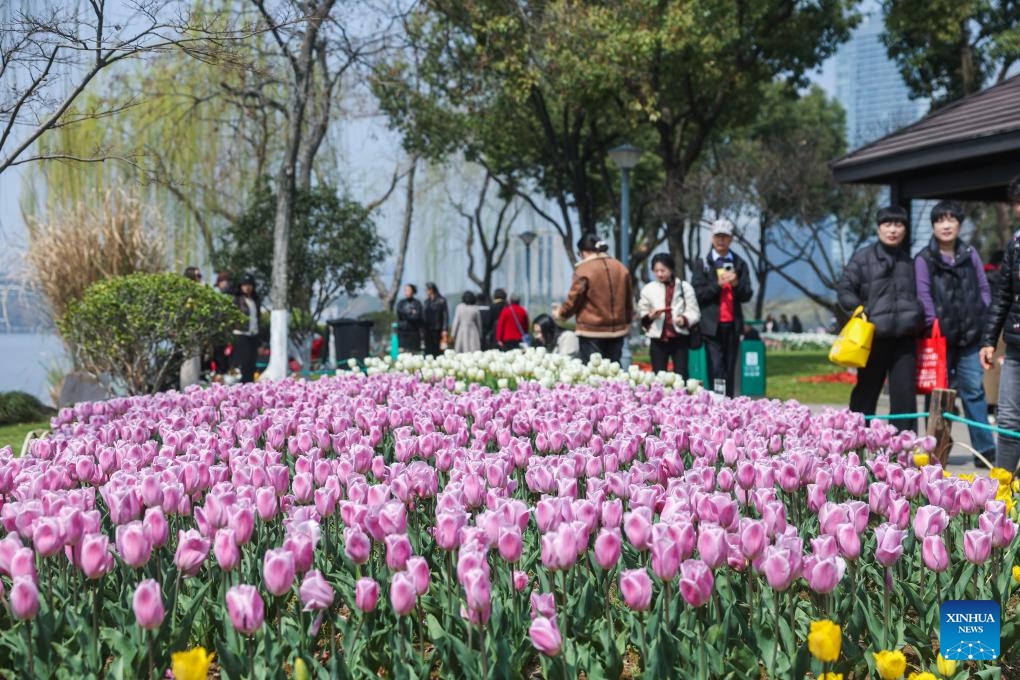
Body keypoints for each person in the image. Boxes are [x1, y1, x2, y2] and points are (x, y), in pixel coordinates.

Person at [915, 199, 996, 465]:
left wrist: (982, 313)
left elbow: (984, 288)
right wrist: (933, 322)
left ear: (959, 224)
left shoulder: (970, 253)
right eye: (940, 220)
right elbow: (923, 293)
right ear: (934, 226)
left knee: (974, 391)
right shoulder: (924, 258)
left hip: (971, 337)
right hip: (940, 340)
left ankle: (985, 451)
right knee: (938, 394)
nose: (946, 225)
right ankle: (936, 451)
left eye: (951, 219)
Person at [835, 206, 924, 432]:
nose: (893, 230)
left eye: (898, 225)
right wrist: (859, 310)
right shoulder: (863, 258)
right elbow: (845, 287)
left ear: (905, 229)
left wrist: (918, 314)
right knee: (866, 391)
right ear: (878, 228)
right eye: (887, 224)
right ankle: (854, 441)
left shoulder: (910, 262)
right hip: (872, 338)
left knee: (904, 397)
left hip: (904, 340)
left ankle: (904, 447)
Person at [980, 176, 1020, 471]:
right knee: (1007, 420)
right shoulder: (1015, 245)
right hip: (1017, 348)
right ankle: (1002, 492)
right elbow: (1002, 297)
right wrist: (989, 339)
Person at [691, 219, 753, 397]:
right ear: (712, 239)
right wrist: (717, 285)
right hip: (711, 326)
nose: (721, 241)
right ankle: (718, 402)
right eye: (718, 237)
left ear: (731, 240)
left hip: (733, 325)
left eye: (725, 237)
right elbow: (698, 294)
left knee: (730, 367)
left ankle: (729, 403)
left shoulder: (739, 263)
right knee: (716, 366)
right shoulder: (703, 263)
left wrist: (736, 284)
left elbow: (747, 294)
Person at [552, 233, 634, 364]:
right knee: (613, 372)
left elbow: (574, 299)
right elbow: (628, 300)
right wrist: (628, 321)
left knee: (593, 372)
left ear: (582, 252)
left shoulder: (584, 270)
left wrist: (561, 314)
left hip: (591, 330)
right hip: (617, 330)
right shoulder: (620, 267)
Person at [637, 253, 700, 376]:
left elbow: (694, 311)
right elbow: (642, 311)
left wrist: (684, 319)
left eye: (663, 270)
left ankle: (681, 395)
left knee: (681, 376)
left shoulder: (684, 287)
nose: (659, 274)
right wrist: (650, 316)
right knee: (658, 376)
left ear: (671, 269)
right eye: (656, 271)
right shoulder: (648, 289)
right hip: (657, 339)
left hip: (679, 338)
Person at [983, 250, 1007, 422]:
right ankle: (995, 408)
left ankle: (990, 408)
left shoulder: (985, 275)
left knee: (991, 370)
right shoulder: (998, 278)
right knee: (998, 369)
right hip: (1001, 329)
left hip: (992, 328)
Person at [232, 273, 261, 383]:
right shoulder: (237, 299)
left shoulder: (255, 300)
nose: (247, 287)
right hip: (241, 334)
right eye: (244, 285)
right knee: (243, 362)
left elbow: (257, 318)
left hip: (253, 334)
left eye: (249, 285)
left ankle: (250, 387)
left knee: (251, 364)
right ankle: (241, 387)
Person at [179, 267, 203, 388]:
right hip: (188, 333)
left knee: (195, 365)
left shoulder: (197, 293)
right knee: (190, 365)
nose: (200, 278)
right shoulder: (187, 295)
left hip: (196, 333)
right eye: (198, 276)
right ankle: (188, 392)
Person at [422, 282, 449, 357]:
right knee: (429, 350)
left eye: (427, 290)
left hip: (438, 328)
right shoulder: (426, 302)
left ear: (431, 290)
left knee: (439, 349)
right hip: (428, 330)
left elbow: (445, 315)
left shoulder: (441, 300)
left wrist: (444, 329)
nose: (426, 292)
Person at [395, 284, 423, 353]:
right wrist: (411, 312)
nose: (406, 292)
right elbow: (400, 313)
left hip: (414, 332)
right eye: (405, 290)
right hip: (402, 331)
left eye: (408, 290)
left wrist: (407, 314)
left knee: (414, 352)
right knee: (402, 352)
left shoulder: (417, 303)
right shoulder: (401, 303)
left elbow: (417, 316)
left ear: (413, 291)